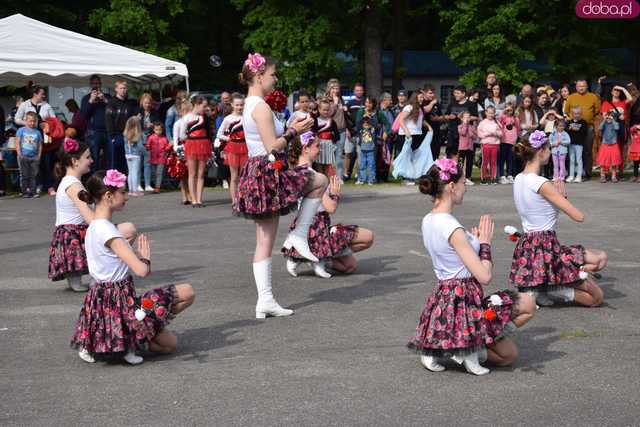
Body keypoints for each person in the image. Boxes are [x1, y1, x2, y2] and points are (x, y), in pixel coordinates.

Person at [408, 159, 535, 375]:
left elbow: (453, 257)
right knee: (512, 347)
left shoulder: (429, 219)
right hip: (464, 301)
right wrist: (485, 243)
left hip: (445, 300)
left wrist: (473, 242)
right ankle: (467, 350)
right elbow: (484, 276)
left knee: (526, 305)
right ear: (451, 186)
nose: (465, 187)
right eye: (463, 182)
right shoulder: (452, 227)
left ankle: (449, 348)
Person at [233, 52, 327, 319]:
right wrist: (294, 132)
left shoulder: (255, 104)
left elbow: (272, 136)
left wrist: (292, 125)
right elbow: (272, 146)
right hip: (266, 170)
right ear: (259, 75)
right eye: (273, 75)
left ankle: (265, 299)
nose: (275, 79)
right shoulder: (259, 106)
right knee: (318, 181)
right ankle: (298, 237)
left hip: (259, 170)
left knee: (264, 240)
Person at [70, 170, 195, 364]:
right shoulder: (108, 231)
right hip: (121, 303)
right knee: (186, 296)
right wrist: (144, 258)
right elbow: (141, 271)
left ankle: (127, 340)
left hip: (104, 302)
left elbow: (108, 260)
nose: (126, 196)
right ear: (108, 196)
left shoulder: (95, 225)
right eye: (123, 192)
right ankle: (131, 341)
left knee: (170, 340)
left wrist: (129, 253)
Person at [510, 130, 606, 307]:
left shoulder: (518, 179)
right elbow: (579, 216)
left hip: (528, 246)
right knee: (597, 297)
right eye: (549, 148)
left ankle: (545, 287)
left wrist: (556, 197)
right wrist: (562, 197)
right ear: (540, 151)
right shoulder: (541, 183)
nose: (551, 152)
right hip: (545, 248)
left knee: (600, 258)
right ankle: (553, 290)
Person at [283, 135, 374, 278]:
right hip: (317, 229)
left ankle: (318, 258)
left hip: (311, 226)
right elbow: (330, 207)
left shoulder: (296, 171)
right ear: (305, 149)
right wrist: (336, 194)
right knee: (368, 237)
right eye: (317, 146)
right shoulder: (311, 175)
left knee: (350, 266)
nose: (319, 150)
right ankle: (316, 255)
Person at [564, 80, 601, 180]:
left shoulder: (593, 97)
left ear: (587, 87)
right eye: (579, 86)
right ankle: (573, 173)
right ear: (576, 87)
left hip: (588, 127)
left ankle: (588, 173)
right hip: (574, 128)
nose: (581, 88)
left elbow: (597, 111)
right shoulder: (571, 97)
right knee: (573, 151)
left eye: (583, 86)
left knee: (587, 150)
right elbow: (566, 111)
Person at [181, 96, 212, 207]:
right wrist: (191, 140)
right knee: (192, 173)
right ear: (196, 105)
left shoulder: (205, 117)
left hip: (203, 145)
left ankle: (199, 199)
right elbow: (182, 135)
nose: (205, 108)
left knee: (201, 174)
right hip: (192, 144)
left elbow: (209, 132)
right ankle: (193, 199)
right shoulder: (187, 118)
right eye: (203, 106)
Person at [216, 93, 247, 204]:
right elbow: (219, 134)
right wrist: (229, 139)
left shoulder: (247, 117)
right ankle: (234, 200)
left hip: (245, 147)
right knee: (234, 176)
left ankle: (243, 198)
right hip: (233, 147)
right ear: (232, 105)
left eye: (241, 105)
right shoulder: (228, 119)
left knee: (244, 175)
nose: (239, 107)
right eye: (237, 105)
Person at [600, 84, 635, 177]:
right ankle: (606, 172)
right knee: (608, 150)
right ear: (611, 92)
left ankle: (619, 172)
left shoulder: (623, 103)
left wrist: (623, 88)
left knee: (619, 150)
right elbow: (604, 116)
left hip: (621, 128)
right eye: (614, 90)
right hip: (610, 130)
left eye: (618, 90)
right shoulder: (606, 103)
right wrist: (618, 117)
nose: (616, 91)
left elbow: (630, 99)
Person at [105, 80, 139, 173]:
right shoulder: (111, 103)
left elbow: (133, 118)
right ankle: (112, 183)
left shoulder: (129, 103)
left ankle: (123, 182)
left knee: (125, 160)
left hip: (127, 135)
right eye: (121, 88)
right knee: (114, 161)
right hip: (115, 135)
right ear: (116, 89)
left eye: (124, 88)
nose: (123, 90)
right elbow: (108, 120)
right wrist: (112, 136)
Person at [354, 97, 390, 185]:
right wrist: (363, 117)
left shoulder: (378, 113)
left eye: (370, 103)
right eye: (366, 102)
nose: (367, 104)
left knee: (371, 162)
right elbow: (357, 125)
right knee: (361, 162)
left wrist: (386, 132)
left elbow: (388, 124)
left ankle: (372, 179)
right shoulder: (361, 111)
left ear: (374, 104)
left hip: (373, 142)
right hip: (362, 141)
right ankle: (361, 178)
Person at [80, 75, 111, 172]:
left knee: (108, 159)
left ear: (101, 84)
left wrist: (104, 100)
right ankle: (94, 181)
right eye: (94, 84)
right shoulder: (86, 98)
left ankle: (109, 181)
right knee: (94, 159)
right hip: (93, 132)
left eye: (97, 83)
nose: (96, 85)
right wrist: (90, 101)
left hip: (108, 131)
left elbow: (113, 110)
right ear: (90, 85)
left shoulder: (107, 97)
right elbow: (83, 115)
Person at [445, 86, 479, 159]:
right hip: (452, 132)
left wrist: (464, 117)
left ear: (463, 94)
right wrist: (449, 116)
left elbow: (476, 117)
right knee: (450, 152)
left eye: (457, 93)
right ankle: (450, 169)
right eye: (454, 93)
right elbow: (446, 115)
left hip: (465, 134)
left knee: (464, 155)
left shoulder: (471, 104)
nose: (455, 95)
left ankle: (462, 169)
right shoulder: (452, 103)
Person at [326, 80, 349, 182]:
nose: (335, 90)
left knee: (339, 155)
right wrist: (334, 104)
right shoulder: (326, 100)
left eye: (337, 88)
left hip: (342, 130)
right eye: (333, 88)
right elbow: (328, 114)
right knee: (329, 155)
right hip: (331, 131)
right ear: (329, 89)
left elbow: (344, 116)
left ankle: (339, 177)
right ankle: (329, 177)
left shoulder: (341, 99)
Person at [15, 112, 42, 198]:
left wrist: (39, 156)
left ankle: (33, 192)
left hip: (34, 157)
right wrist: (19, 154)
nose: (32, 123)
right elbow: (17, 143)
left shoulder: (37, 132)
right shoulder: (21, 130)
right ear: (26, 120)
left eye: (34, 121)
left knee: (33, 175)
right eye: (30, 121)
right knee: (24, 175)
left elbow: (40, 145)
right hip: (23, 156)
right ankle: (24, 192)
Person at [139, 93, 160, 192]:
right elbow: (133, 124)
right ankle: (138, 184)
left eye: (149, 103)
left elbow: (159, 124)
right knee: (138, 163)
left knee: (147, 162)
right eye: (145, 103)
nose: (147, 105)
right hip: (139, 138)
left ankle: (147, 184)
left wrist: (153, 125)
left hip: (150, 139)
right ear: (142, 102)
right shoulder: (138, 112)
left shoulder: (155, 112)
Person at [314, 97, 340, 177]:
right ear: (319, 109)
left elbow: (337, 135)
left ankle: (327, 185)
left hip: (328, 146)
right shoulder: (315, 120)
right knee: (318, 165)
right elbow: (313, 132)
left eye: (327, 110)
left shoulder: (332, 121)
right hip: (318, 145)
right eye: (324, 110)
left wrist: (333, 140)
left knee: (327, 167)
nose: (326, 112)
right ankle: (320, 182)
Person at [344, 83, 366, 181]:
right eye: (357, 90)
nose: (359, 92)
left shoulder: (366, 102)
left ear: (363, 91)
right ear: (354, 91)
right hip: (350, 131)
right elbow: (345, 118)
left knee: (359, 154)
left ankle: (358, 174)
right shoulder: (349, 103)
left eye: (360, 90)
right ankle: (345, 173)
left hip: (362, 132)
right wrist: (347, 129)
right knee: (348, 153)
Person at [477, 105, 502, 185]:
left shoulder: (497, 122)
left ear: (494, 113)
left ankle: (493, 178)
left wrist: (495, 133)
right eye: (489, 113)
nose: (490, 115)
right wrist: (487, 134)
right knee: (485, 161)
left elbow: (501, 133)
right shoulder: (482, 122)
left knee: (493, 162)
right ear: (486, 113)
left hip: (495, 145)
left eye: (492, 113)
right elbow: (479, 133)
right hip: (486, 144)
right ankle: (483, 178)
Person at [145, 122, 171, 192]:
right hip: (153, 158)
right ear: (154, 130)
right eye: (156, 130)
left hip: (161, 159)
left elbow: (166, 148)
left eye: (159, 130)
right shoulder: (151, 137)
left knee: (159, 173)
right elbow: (148, 146)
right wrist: (147, 147)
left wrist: (169, 146)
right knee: (153, 173)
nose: (158, 131)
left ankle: (157, 187)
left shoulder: (164, 139)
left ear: (162, 130)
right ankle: (155, 185)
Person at [497, 103, 519, 184]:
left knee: (510, 159)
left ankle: (509, 175)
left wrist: (516, 138)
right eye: (507, 110)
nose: (509, 111)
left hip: (512, 141)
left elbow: (518, 128)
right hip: (503, 141)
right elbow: (499, 123)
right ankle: (502, 176)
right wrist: (504, 112)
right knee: (502, 159)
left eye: (510, 110)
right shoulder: (503, 117)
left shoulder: (515, 119)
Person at [422, 85, 445, 161]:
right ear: (424, 93)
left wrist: (439, 118)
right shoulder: (422, 102)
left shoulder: (436, 103)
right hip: (425, 132)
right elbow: (425, 110)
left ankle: (434, 171)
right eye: (430, 93)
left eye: (433, 93)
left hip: (436, 132)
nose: (432, 95)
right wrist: (432, 103)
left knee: (435, 154)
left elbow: (440, 115)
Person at [597, 112, 622, 183]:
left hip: (613, 144)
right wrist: (604, 120)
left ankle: (613, 176)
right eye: (608, 117)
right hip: (605, 144)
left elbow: (617, 128)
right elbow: (600, 128)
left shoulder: (615, 123)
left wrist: (613, 120)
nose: (609, 118)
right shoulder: (604, 124)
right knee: (603, 162)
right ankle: (602, 176)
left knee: (614, 162)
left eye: (611, 117)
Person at [123, 116, 144, 196]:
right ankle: (135, 191)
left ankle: (131, 190)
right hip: (136, 155)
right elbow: (140, 146)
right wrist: (145, 151)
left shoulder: (125, 134)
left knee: (130, 173)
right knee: (135, 172)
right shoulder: (138, 135)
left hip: (128, 155)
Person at [566, 106, 588, 183]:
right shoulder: (569, 122)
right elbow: (566, 131)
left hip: (579, 144)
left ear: (581, 114)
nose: (577, 115)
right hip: (571, 144)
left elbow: (585, 132)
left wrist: (577, 129)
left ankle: (579, 175)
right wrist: (569, 129)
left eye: (578, 113)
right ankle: (571, 175)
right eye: (575, 114)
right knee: (571, 160)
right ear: (572, 114)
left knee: (579, 159)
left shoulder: (583, 122)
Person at [457, 111, 477, 185]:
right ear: (462, 119)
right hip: (462, 148)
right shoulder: (460, 126)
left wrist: (472, 135)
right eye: (465, 117)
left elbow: (475, 136)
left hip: (470, 148)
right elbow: (463, 133)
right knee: (461, 163)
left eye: (468, 117)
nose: (467, 119)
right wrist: (465, 124)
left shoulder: (472, 127)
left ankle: (468, 177)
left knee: (469, 163)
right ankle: (459, 177)